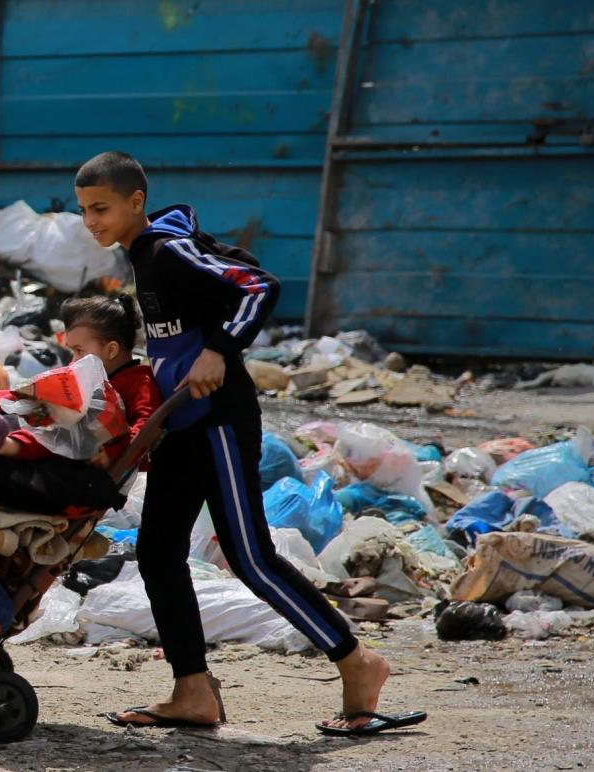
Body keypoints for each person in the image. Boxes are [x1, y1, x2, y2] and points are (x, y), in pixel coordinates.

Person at [74, 151, 424, 737]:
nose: (91, 221)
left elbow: (258, 285)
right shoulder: (144, 258)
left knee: (250, 556)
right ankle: (192, 692)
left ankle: (358, 664)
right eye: (84, 210)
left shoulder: (165, 249)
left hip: (217, 424)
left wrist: (218, 349)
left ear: (136, 201)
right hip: (181, 426)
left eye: (101, 208)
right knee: (159, 554)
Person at [0, 294, 162, 469]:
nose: (74, 360)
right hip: (68, 426)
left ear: (111, 350)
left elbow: (147, 428)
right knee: (23, 398)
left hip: (87, 451)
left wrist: (110, 455)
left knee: (55, 432)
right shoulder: (90, 376)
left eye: (79, 351)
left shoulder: (139, 382)